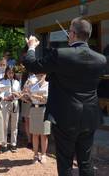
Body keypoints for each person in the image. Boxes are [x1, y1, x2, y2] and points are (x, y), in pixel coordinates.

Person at [23, 17, 107, 176]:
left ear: (73, 34)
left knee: (65, 162)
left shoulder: (60, 54)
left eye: (69, 31)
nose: (68, 34)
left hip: (65, 117)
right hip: (90, 115)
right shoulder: (101, 59)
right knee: (86, 161)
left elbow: (32, 65)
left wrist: (32, 47)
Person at [28, 74, 50, 163]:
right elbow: (29, 99)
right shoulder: (33, 85)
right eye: (38, 75)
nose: (39, 77)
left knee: (44, 134)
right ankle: (35, 154)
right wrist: (26, 93)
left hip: (44, 109)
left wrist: (34, 95)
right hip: (34, 109)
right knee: (35, 133)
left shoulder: (48, 85)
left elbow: (46, 99)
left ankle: (44, 154)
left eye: (41, 75)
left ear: (45, 75)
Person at [0, 66, 21, 153]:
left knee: (14, 124)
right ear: (6, 73)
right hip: (5, 104)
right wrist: (6, 97)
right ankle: (4, 144)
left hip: (15, 103)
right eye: (9, 72)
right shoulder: (2, 82)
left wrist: (16, 94)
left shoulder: (16, 82)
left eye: (12, 73)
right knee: (4, 124)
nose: (11, 74)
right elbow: (0, 94)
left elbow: (19, 93)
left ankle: (13, 144)